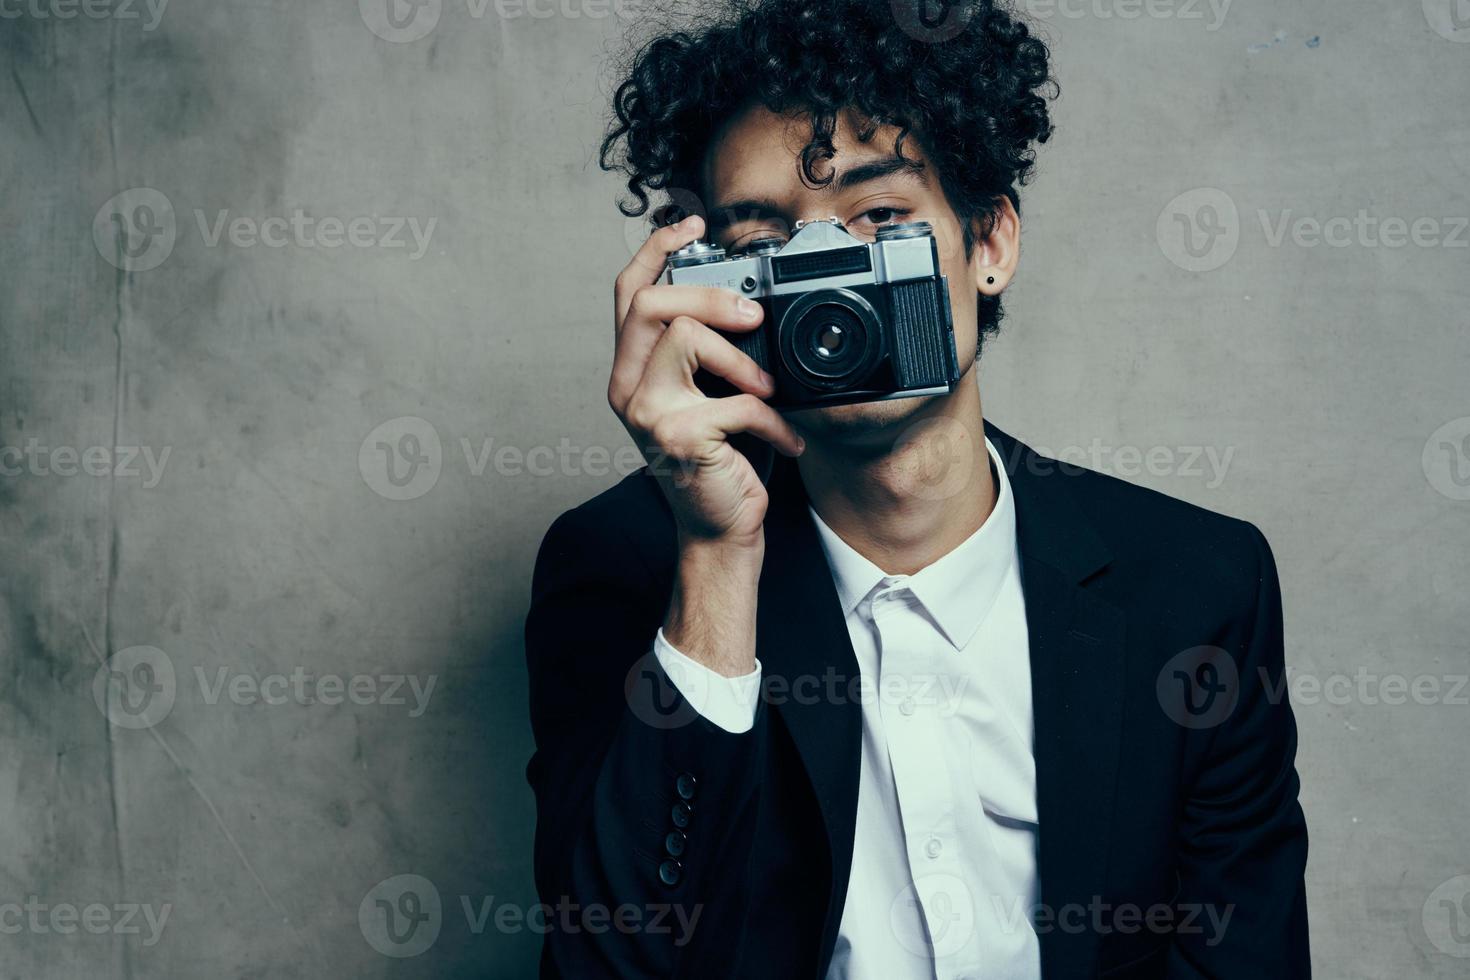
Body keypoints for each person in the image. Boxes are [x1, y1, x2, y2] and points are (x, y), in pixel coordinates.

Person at [525, 1, 1309, 976]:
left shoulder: (1196, 586)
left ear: (990, 243)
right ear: (708, 286)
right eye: (765, 238)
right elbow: (612, 965)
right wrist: (716, 558)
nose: (824, 276)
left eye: (879, 218)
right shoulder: (628, 567)